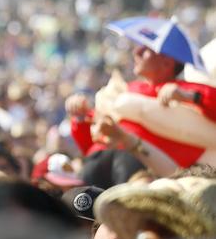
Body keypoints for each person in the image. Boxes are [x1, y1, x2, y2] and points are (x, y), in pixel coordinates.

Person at [66, 43, 216, 169]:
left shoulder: (188, 90)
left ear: (167, 62)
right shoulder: (128, 90)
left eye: (146, 50)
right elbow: (91, 147)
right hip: (101, 169)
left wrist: (189, 96)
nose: (136, 52)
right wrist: (79, 118)